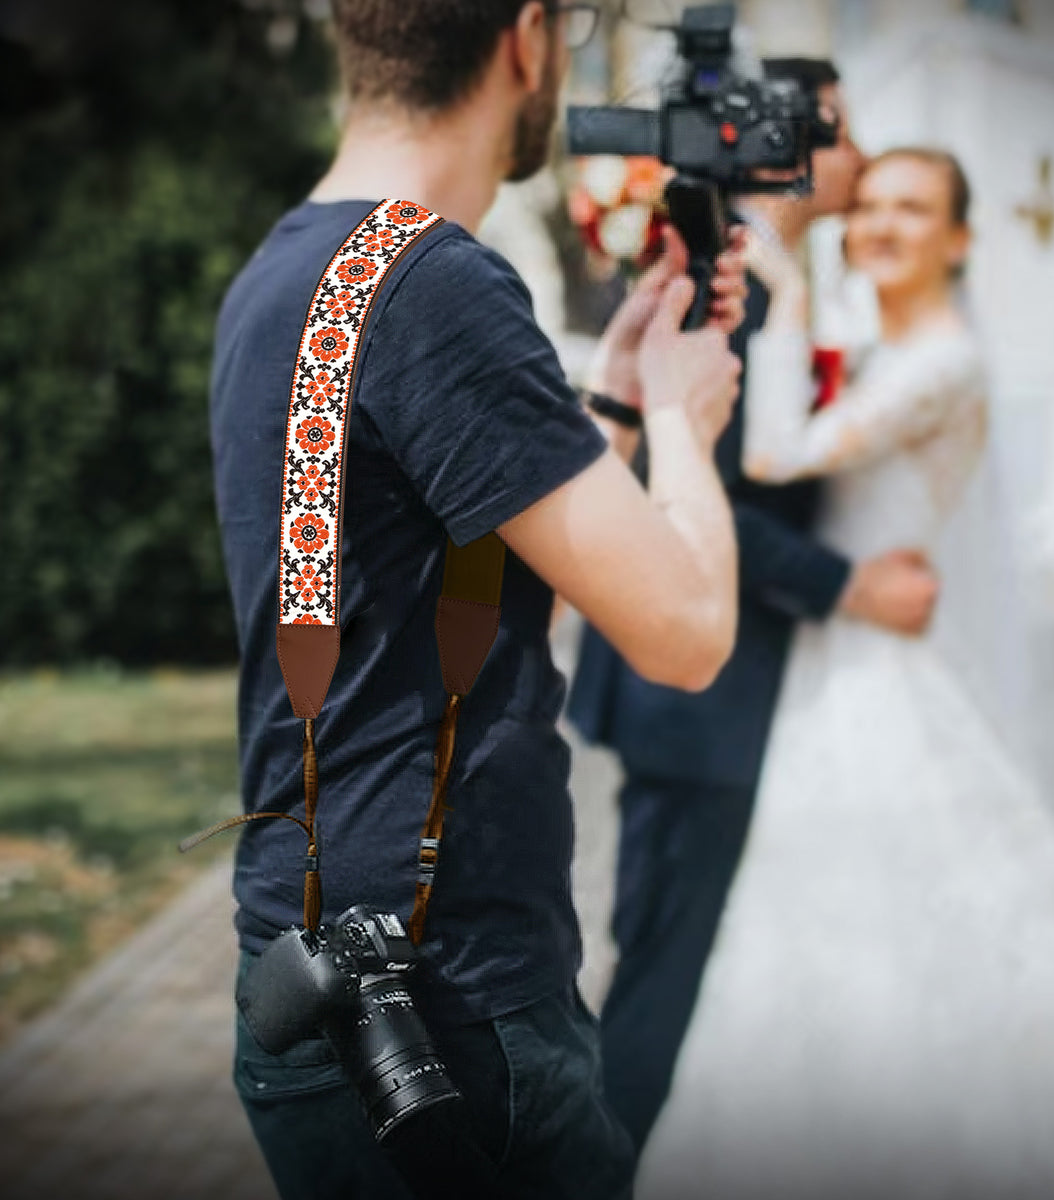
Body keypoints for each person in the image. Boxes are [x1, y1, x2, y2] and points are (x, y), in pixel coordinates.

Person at [207, 2, 752, 1197]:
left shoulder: (294, 268)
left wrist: (604, 409)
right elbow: (690, 634)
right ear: (526, 39)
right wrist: (680, 418)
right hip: (450, 1020)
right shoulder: (439, 284)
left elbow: (455, 614)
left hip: (314, 986)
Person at [637, 148, 1054, 1199]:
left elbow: (772, 457)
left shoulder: (944, 362)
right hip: (840, 656)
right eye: (876, 204)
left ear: (962, 239)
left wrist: (790, 289)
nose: (883, 223)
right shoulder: (891, 348)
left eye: (915, 208)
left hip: (874, 674)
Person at [566, 57, 940, 1156]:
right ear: (790, 142)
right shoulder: (742, 291)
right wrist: (848, 584)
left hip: (744, 687)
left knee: (686, 963)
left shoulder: (783, 282)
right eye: (847, 133)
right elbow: (705, 491)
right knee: (660, 976)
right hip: (698, 699)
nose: (862, 159)